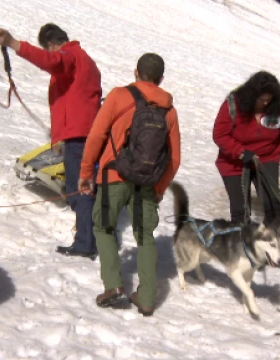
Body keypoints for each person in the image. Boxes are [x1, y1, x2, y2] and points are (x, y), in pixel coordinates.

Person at [78, 53, 181, 316]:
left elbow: (96, 135)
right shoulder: (168, 110)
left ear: (136, 71)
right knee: (145, 236)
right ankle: (146, 298)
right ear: (161, 79)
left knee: (103, 226)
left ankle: (113, 286)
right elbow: (175, 158)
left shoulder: (119, 96)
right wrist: (158, 189)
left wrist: (86, 172)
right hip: (147, 183)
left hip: (114, 176)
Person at [0, 24, 101, 259]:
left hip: (78, 135)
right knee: (86, 186)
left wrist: (13, 43)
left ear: (52, 45)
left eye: (49, 50)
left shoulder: (69, 56)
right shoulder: (86, 60)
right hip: (87, 133)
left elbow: (51, 61)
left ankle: (86, 242)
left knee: (78, 188)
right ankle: (89, 237)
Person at [212, 71, 280, 227]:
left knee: (273, 204)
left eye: (269, 100)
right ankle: (240, 242)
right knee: (240, 210)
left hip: (267, 156)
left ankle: (274, 240)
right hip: (234, 161)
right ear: (251, 95)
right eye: (262, 100)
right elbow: (220, 135)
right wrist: (240, 152)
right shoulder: (233, 105)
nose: (266, 104)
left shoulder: (279, 106)